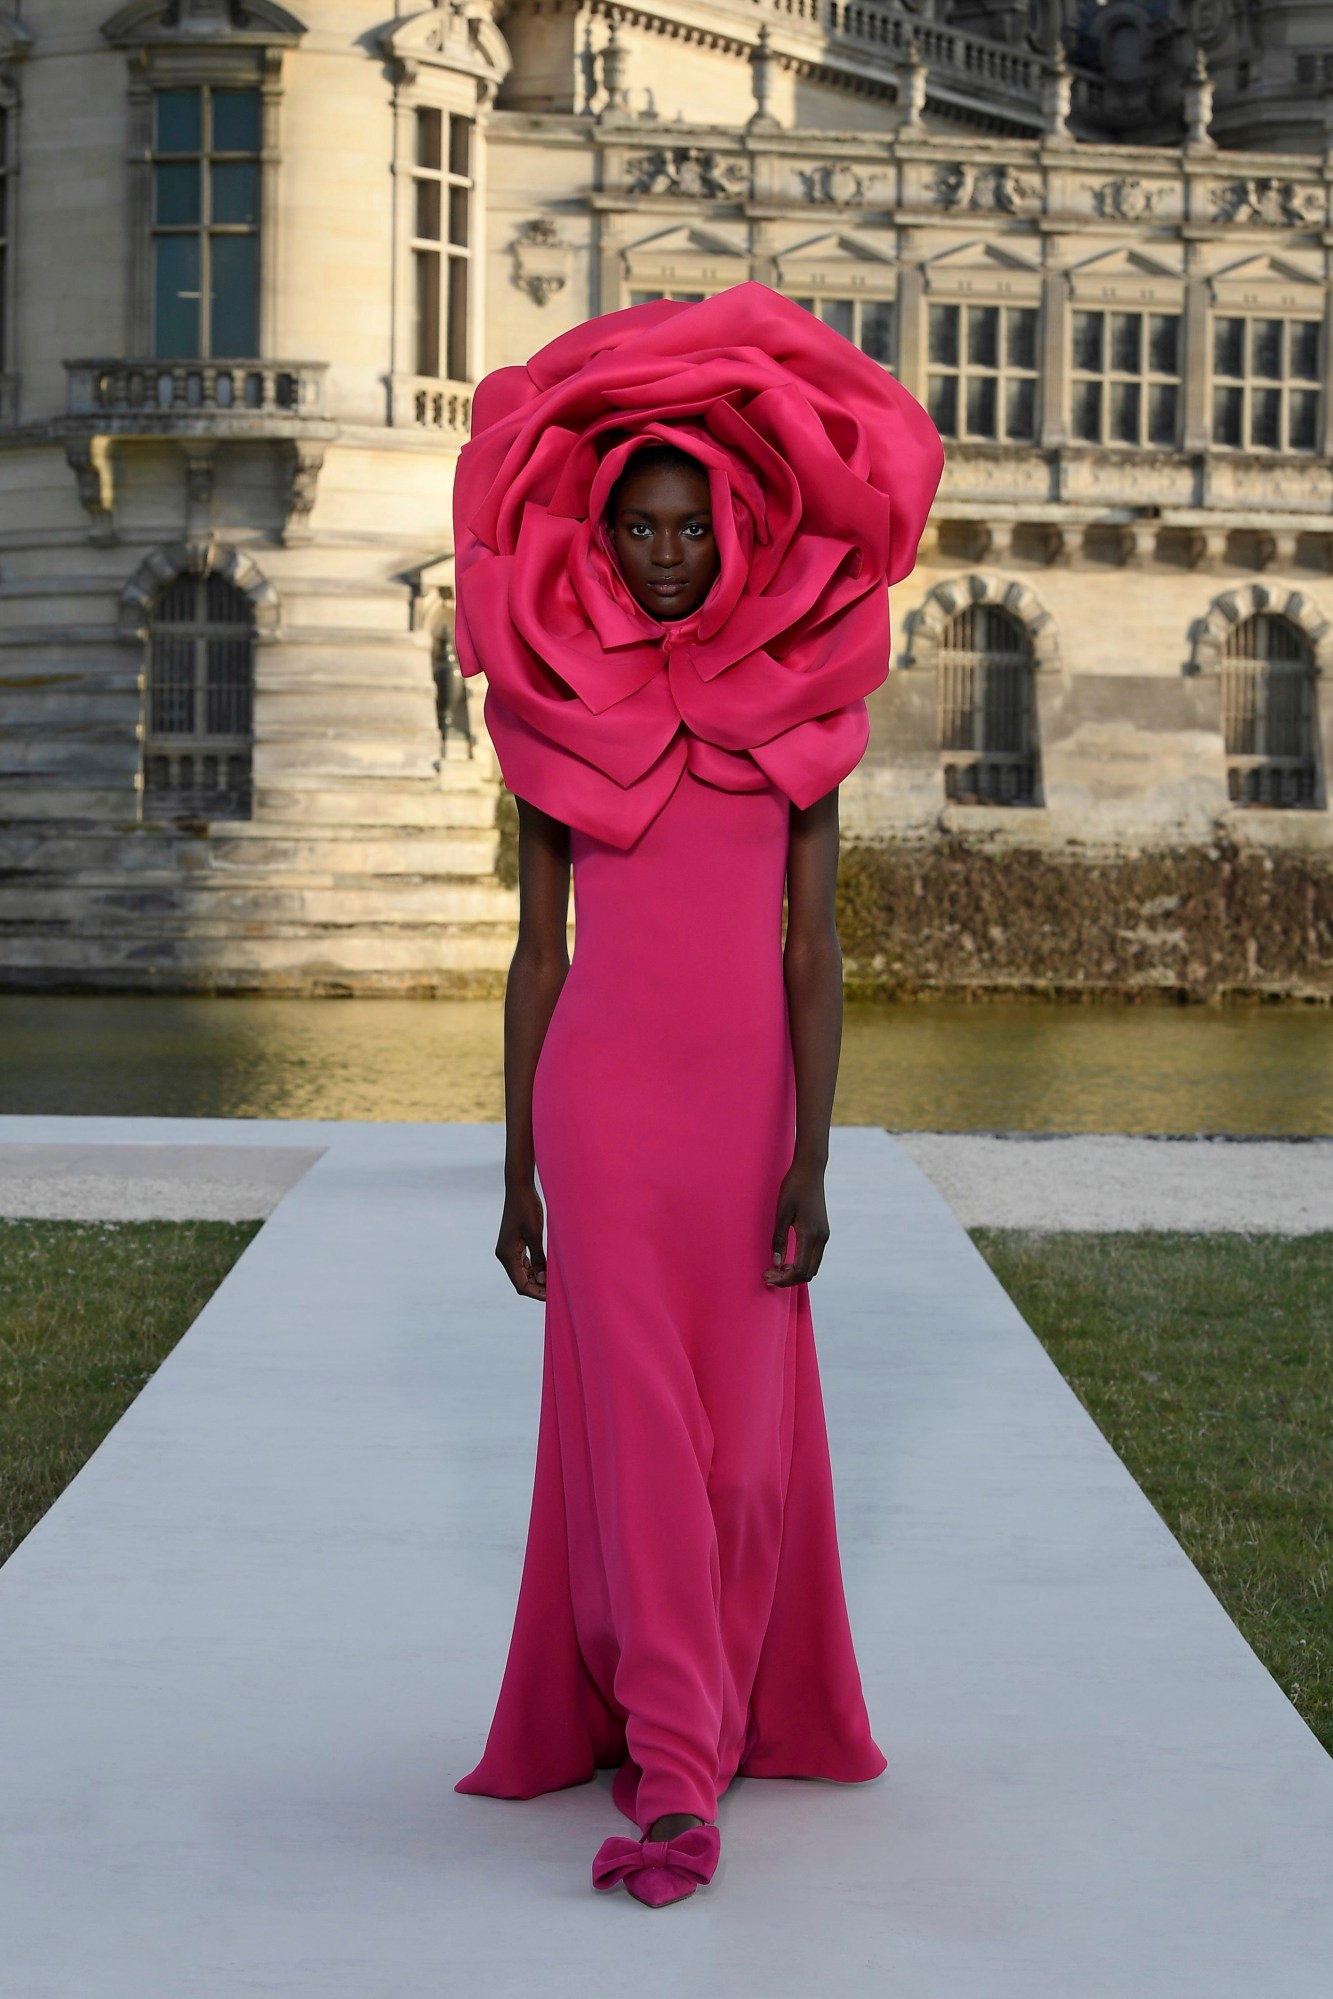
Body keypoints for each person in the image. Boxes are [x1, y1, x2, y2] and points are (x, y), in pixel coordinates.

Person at [451, 283, 944, 1910]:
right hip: (601, 1114)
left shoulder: (799, 712)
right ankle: (673, 1768)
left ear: (733, 527)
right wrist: (515, 1173)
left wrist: (813, 1154)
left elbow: (816, 956)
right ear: (598, 538)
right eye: (635, 527)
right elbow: (537, 961)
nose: (664, 553)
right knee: (643, 1441)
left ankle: (713, 1696)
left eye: (688, 525)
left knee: (739, 1456)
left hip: (742, 1120)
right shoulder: (546, 709)